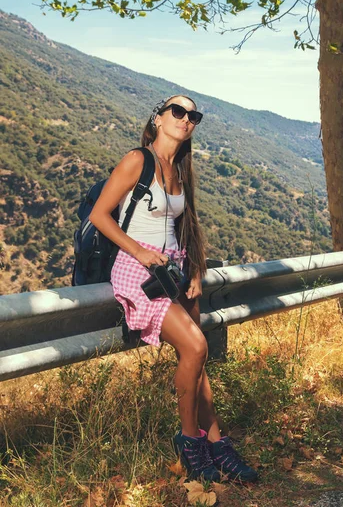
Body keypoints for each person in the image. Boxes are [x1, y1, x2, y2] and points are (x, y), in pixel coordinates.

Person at [90, 95, 258, 483]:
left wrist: (195, 270)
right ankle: (189, 440)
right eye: (178, 111)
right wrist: (140, 252)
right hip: (138, 271)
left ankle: (216, 443)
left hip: (175, 273)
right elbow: (101, 214)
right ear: (159, 117)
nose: (186, 119)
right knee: (197, 346)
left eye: (193, 115)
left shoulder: (180, 168)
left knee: (196, 361)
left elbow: (187, 226)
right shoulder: (138, 160)